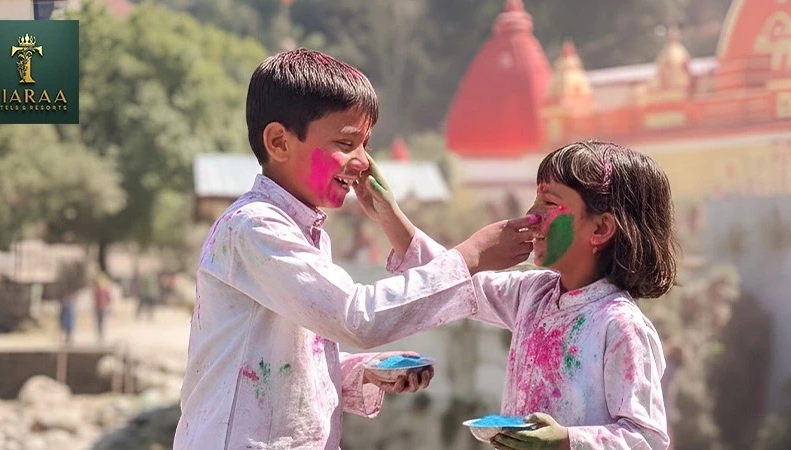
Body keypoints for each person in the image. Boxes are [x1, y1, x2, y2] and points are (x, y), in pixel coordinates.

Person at [173, 48, 535, 450]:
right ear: (278, 141)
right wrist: (470, 256)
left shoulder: (307, 231)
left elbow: (284, 367)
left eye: (366, 145)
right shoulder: (256, 228)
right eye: (346, 143)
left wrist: (364, 372)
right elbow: (355, 318)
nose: (362, 162)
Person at [390, 140, 676, 449]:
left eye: (550, 204)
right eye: (535, 201)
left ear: (601, 229)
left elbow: (647, 439)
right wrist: (386, 212)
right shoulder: (533, 294)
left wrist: (567, 440)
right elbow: (455, 281)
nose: (531, 215)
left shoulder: (620, 325)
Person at [93, 272, 111, 342]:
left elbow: (108, 298)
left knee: (102, 321)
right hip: (98, 307)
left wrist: (108, 304)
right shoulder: (97, 290)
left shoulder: (104, 290)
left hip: (103, 307)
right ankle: (99, 334)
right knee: (99, 321)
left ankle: (102, 334)